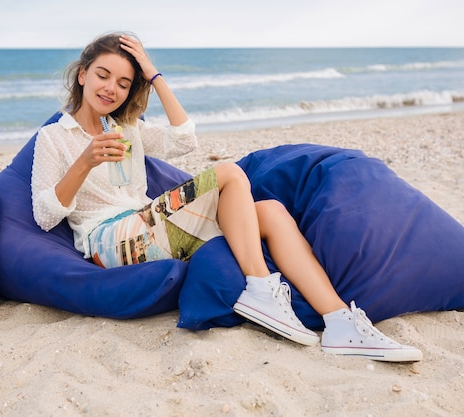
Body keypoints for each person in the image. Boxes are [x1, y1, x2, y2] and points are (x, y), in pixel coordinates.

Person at [31, 32, 422, 362]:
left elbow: (185, 139)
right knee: (230, 173)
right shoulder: (54, 138)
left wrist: (154, 75)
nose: (111, 88)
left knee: (268, 210)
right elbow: (45, 215)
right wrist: (84, 162)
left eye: (123, 82)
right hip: (110, 243)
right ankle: (260, 287)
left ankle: (338, 321)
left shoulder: (127, 128)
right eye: (103, 75)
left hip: (150, 225)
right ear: (82, 75)